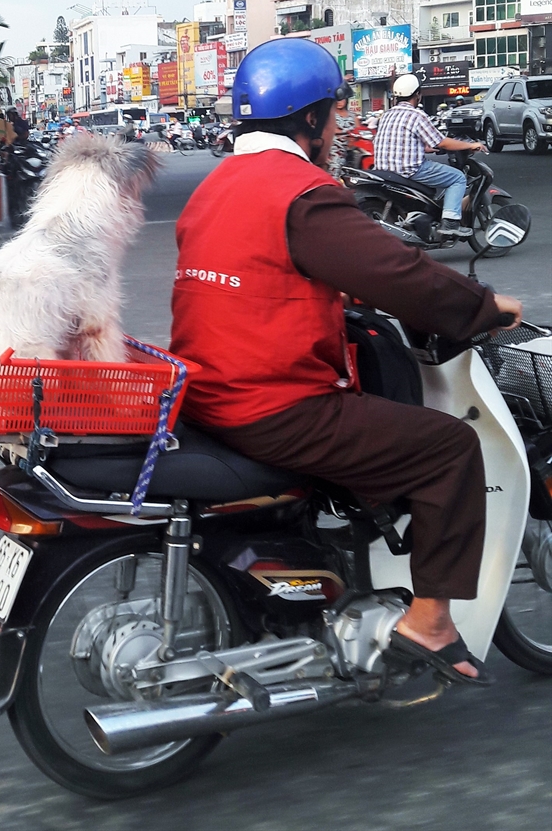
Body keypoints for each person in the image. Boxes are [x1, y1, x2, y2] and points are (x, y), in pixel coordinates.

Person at [170, 38, 522, 685]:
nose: (337, 127)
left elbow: (267, 271)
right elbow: (398, 271)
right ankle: (431, 618)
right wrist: (483, 306)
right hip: (275, 406)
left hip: (204, 395)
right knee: (447, 447)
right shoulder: (301, 190)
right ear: (309, 120)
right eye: (333, 113)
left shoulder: (214, 187)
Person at [374, 74, 486, 238]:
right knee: (458, 178)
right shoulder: (416, 115)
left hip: (384, 170)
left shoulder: (387, 115)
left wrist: (424, 148)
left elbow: (399, 141)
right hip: (409, 170)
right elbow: (442, 142)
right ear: (418, 94)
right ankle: (450, 222)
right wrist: (470, 145)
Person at [327, 96, 361, 180]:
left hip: (351, 150)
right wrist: (347, 131)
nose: (339, 102)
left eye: (341, 99)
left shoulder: (353, 116)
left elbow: (358, 131)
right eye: (337, 100)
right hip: (335, 150)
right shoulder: (330, 115)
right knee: (334, 173)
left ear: (346, 100)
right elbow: (330, 129)